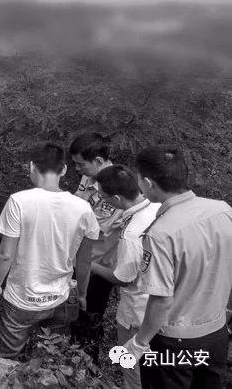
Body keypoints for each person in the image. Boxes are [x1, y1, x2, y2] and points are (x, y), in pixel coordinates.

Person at [123, 146, 232, 389]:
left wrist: (139, 342)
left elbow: (161, 300)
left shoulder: (160, 233)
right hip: (216, 333)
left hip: (174, 343)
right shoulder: (223, 210)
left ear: (148, 182)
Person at [0, 143, 100, 358]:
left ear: (32, 166)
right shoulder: (83, 208)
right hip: (61, 298)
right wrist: (82, 294)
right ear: (64, 169)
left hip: (21, 298)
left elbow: (5, 254)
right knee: (51, 360)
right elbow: (84, 261)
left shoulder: (19, 201)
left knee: (4, 357)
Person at [91, 165, 159, 389]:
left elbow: (123, 278)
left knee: (133, 370)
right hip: (161, 309)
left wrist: (90, 265)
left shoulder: (131, 234)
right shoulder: (157, 207)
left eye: (103, 197)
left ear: (117, 199)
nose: (101, 200)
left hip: (136, 314)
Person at [69, 133, 123, 359]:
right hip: (78, 259)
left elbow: (94, 226)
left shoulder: (117, 186)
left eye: (80, 164)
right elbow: (78, 204)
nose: (77, 169)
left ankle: (89, 367)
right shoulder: (89, 177)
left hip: (98, 264)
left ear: (99, 161)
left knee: (90, 318)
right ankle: (70, 361)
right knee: (73, 315)